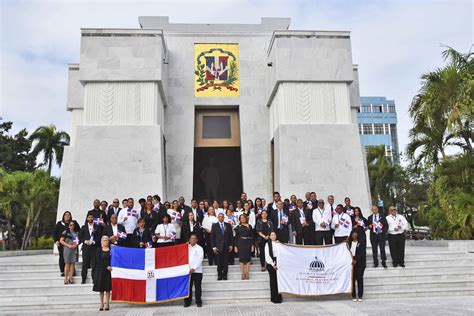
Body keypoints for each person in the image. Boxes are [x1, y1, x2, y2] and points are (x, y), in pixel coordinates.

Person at [54, 211, 79, 277]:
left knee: (72, 259)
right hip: (62, 244)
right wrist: (56, 240)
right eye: (66, 215)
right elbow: (55, 233)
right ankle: (63, 271)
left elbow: (79, 231)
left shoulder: (74, 223)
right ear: (63, 216)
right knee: (63, 257)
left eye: (68, 215)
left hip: (73, 244)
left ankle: (72, 272)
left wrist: (77, 242)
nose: (67, 216)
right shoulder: (59, 223)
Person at [79, 214, 103, 284]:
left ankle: (94, 279)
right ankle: (83, 279)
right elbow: (80, 237)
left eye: (92, 217)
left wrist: (94, 241)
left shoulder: (97, 227)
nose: (90, 218)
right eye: (89, 217)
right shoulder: (83, 227)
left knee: (94, 264)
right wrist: (85, 241)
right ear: (87, 218)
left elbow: (99, 237)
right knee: (85, 264)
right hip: (86, 248)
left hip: (94, 248)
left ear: (93, 218)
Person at [211, 213, 234, 280]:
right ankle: (219, 275)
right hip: (218, 247)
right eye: (219, 217)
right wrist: (213, 247)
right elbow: (212, 237)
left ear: (223, 218)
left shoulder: (228, 225)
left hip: (226, 246)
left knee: (226, 262)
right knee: (219, 262)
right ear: (218, 218)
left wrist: (231, 245)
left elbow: (231, 236)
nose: (221, 218)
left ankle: (225, 275)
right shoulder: (214, 226)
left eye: (222, 217)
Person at [184, 233, 204, 308]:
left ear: (197, 240)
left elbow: (200, 259)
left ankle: (198, 301)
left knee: (198, 287)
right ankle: (187, 302)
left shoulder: (199, 248)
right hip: (187, 271)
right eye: (191, 238)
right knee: (188, 287)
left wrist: (194, 268)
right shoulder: (186, 247)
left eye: (194, 238)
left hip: (197, 271)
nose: (192, 240)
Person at [93, 236, 112, 311]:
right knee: (101, 289)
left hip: (109, 271)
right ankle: (101, 303)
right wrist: (106, 267)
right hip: (101, 270)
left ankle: (107, 303)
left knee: (107, 288)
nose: (106, 242)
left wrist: (110, 267)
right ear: (101, 242)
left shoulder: (111, 250)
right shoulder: (99, 250)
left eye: (107, 240)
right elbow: (98, 260)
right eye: (104, 240)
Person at [348, 230, 366, 302]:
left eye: (356, 234)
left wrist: (356, 260)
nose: (355, 235)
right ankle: (353, 295)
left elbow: (362, 253)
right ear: (351, 235)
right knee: (352, 279)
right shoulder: (348, 243)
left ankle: (360, 295)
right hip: (351, 262)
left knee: (359, 279)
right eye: (353, 234)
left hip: (360, 263)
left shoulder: (361, 243)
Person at [234, 214, 254, 280]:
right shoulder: (238, 227)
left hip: (248, 243)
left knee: (248, 259)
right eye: (241, 218)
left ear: (246, 218)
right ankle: (243, 273)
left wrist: (252, 245)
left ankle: (247, 273)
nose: (242, 219)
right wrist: (236, 246)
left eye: (243, 218)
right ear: (239, 219)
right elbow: (236, 237)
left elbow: (252, 236)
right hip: (241, 243)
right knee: (241, 259)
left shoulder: (249, 226)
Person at [265, 231, 282, 304]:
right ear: (269, 236)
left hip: (279, 262)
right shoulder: (267, 244)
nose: (273, 236)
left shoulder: (279, 244)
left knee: (278, 281)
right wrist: (273, 264)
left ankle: (279, 298)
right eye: (272, 235)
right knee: (273, 281)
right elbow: (267, 255)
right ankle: (274, 298)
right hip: (270, 263)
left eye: (274, 235)